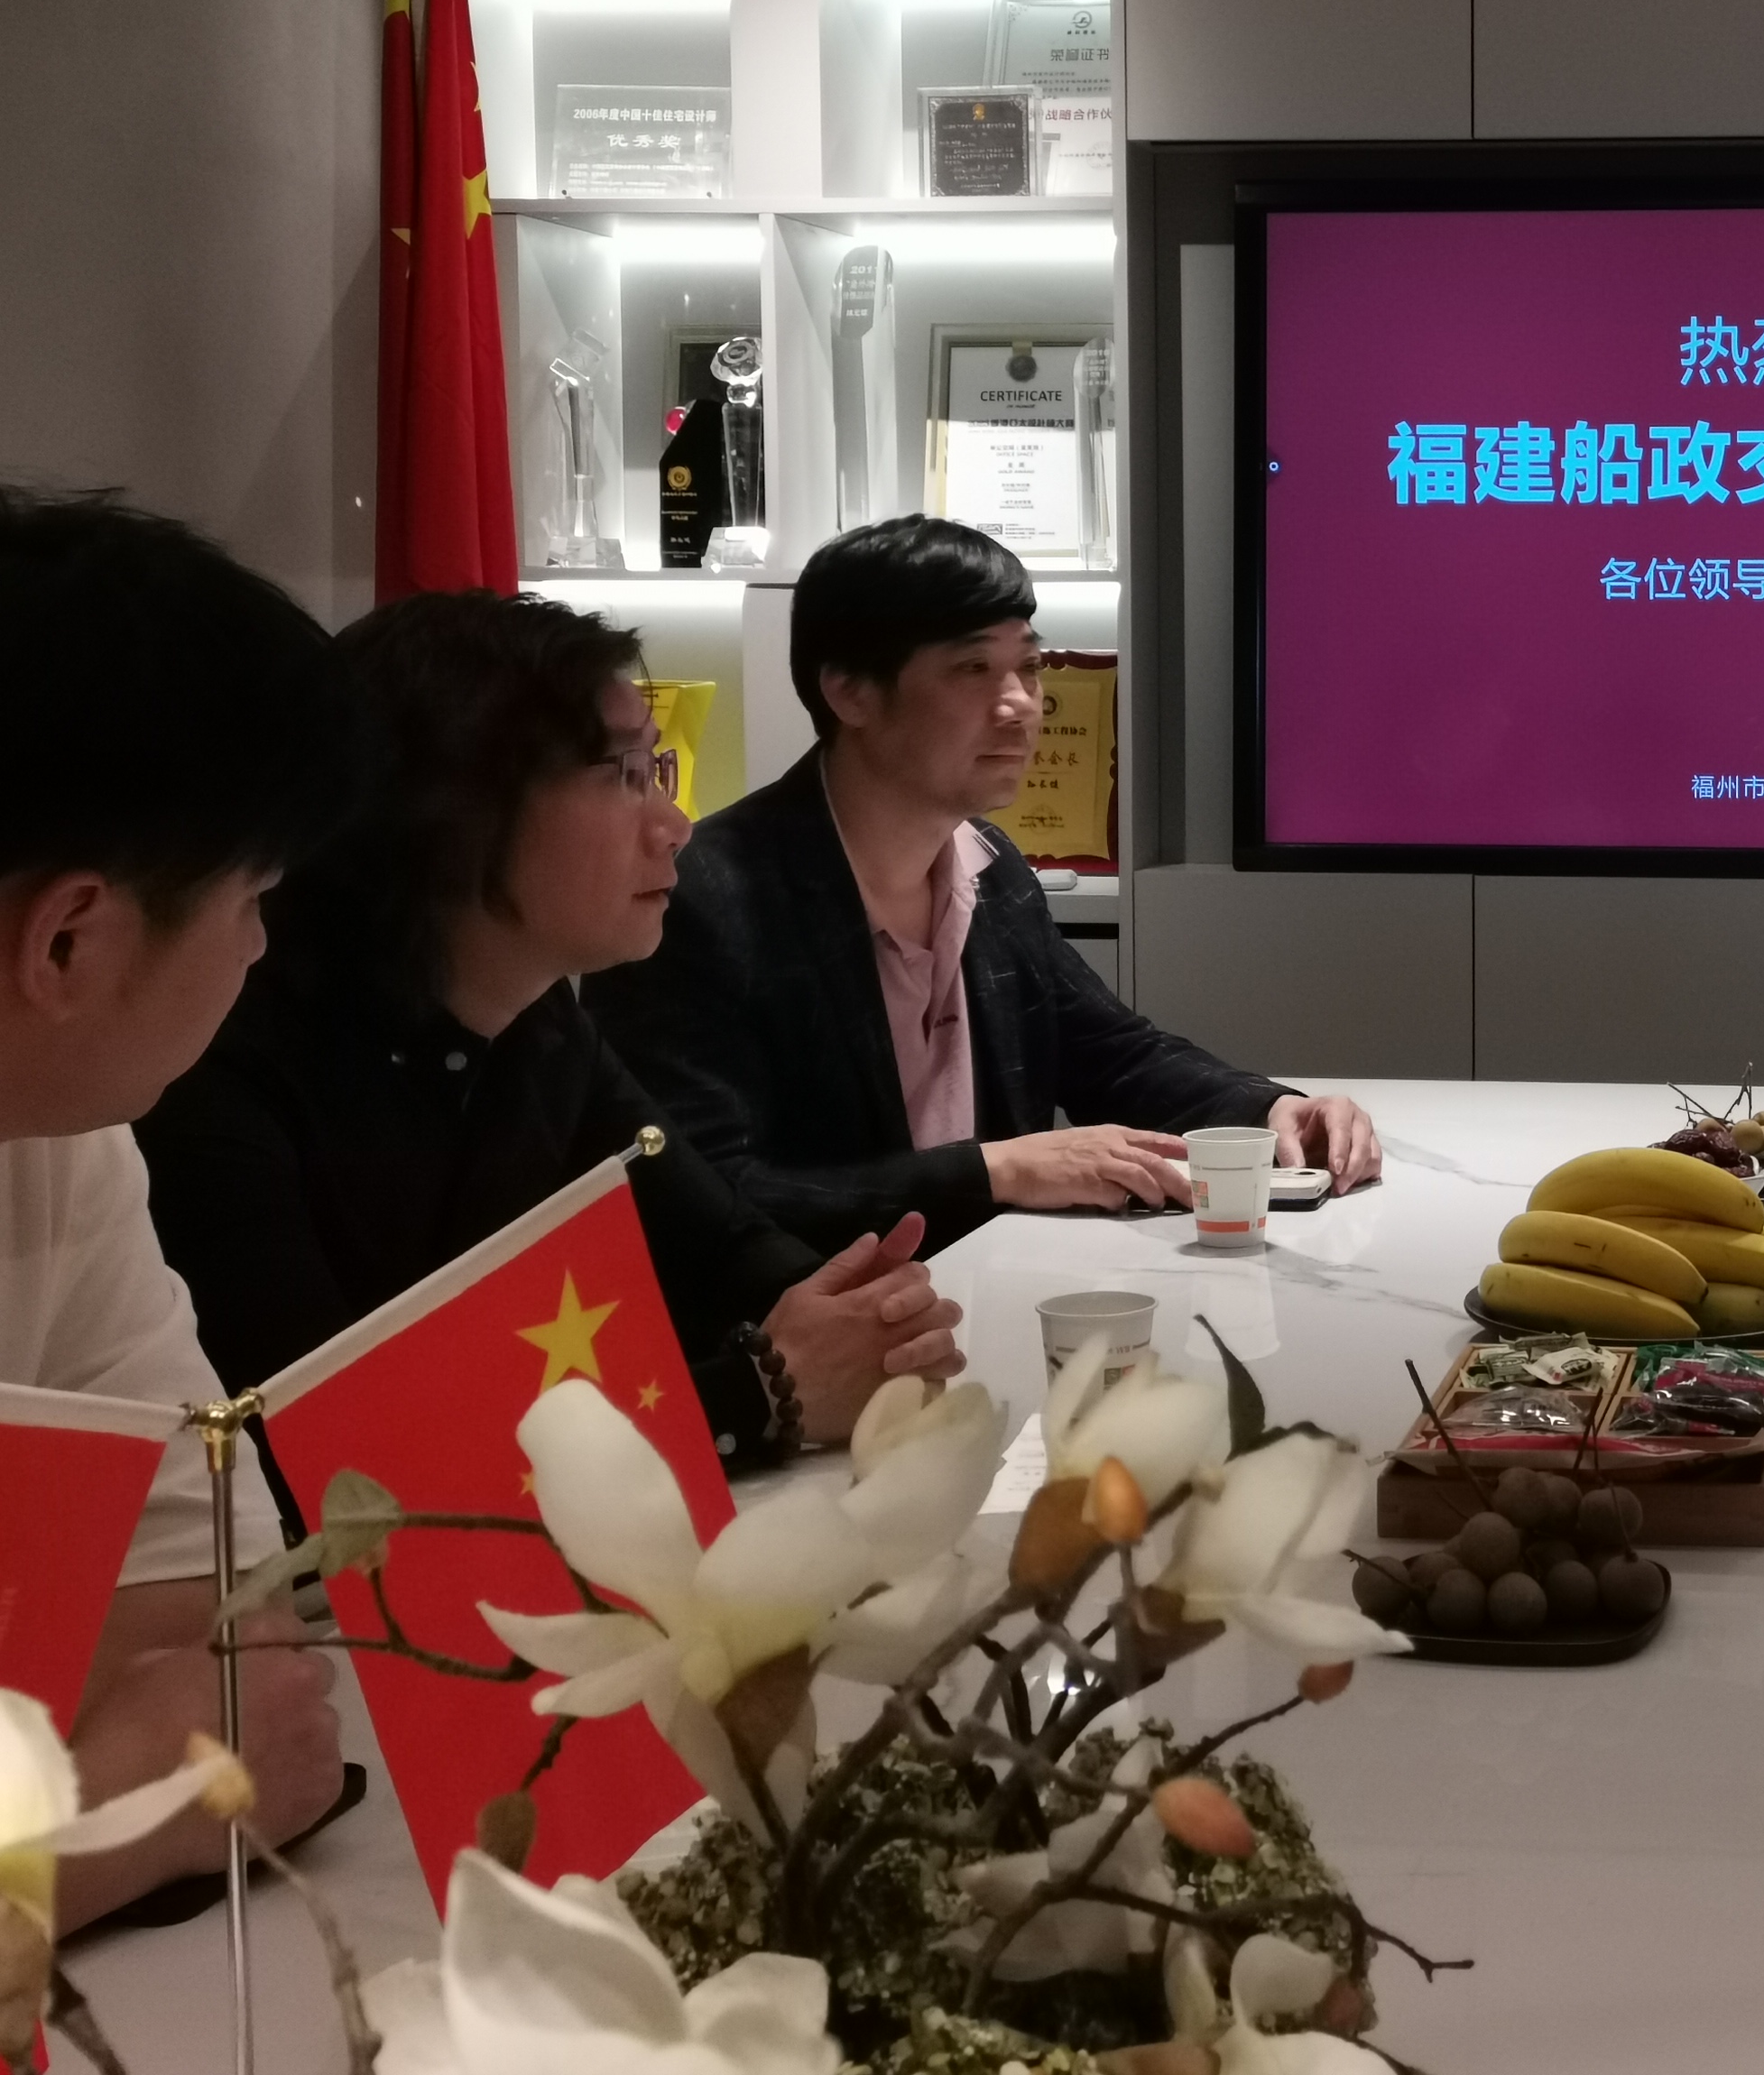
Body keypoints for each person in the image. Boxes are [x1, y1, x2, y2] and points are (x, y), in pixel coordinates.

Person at [140, 591, 961, 1476]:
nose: (675, 826)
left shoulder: (539, 1023)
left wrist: (866, 1319)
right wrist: (763, 1392)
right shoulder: (221, 1075)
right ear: (452, 806)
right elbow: (322, 1465)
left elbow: (720, 1246)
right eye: (625, 776)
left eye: (658, 772)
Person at [586, 517, 1380, 1250]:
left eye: (1028, 666)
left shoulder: (989, 865)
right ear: (849, 690)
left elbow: (1109, 1051)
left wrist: (1268, 1108)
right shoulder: (703, 901)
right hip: (816, 1327)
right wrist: (994, 1171)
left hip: (988, 1292)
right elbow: (705, 1199)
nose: (1020, 706)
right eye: (972, 669)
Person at [0, 487, 349, 1929]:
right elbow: (196, 1738)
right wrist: (111, 1812)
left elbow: (219, 1626)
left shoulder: (58, 1134)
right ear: (70, 941)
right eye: (253, 898)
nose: (262, 947)